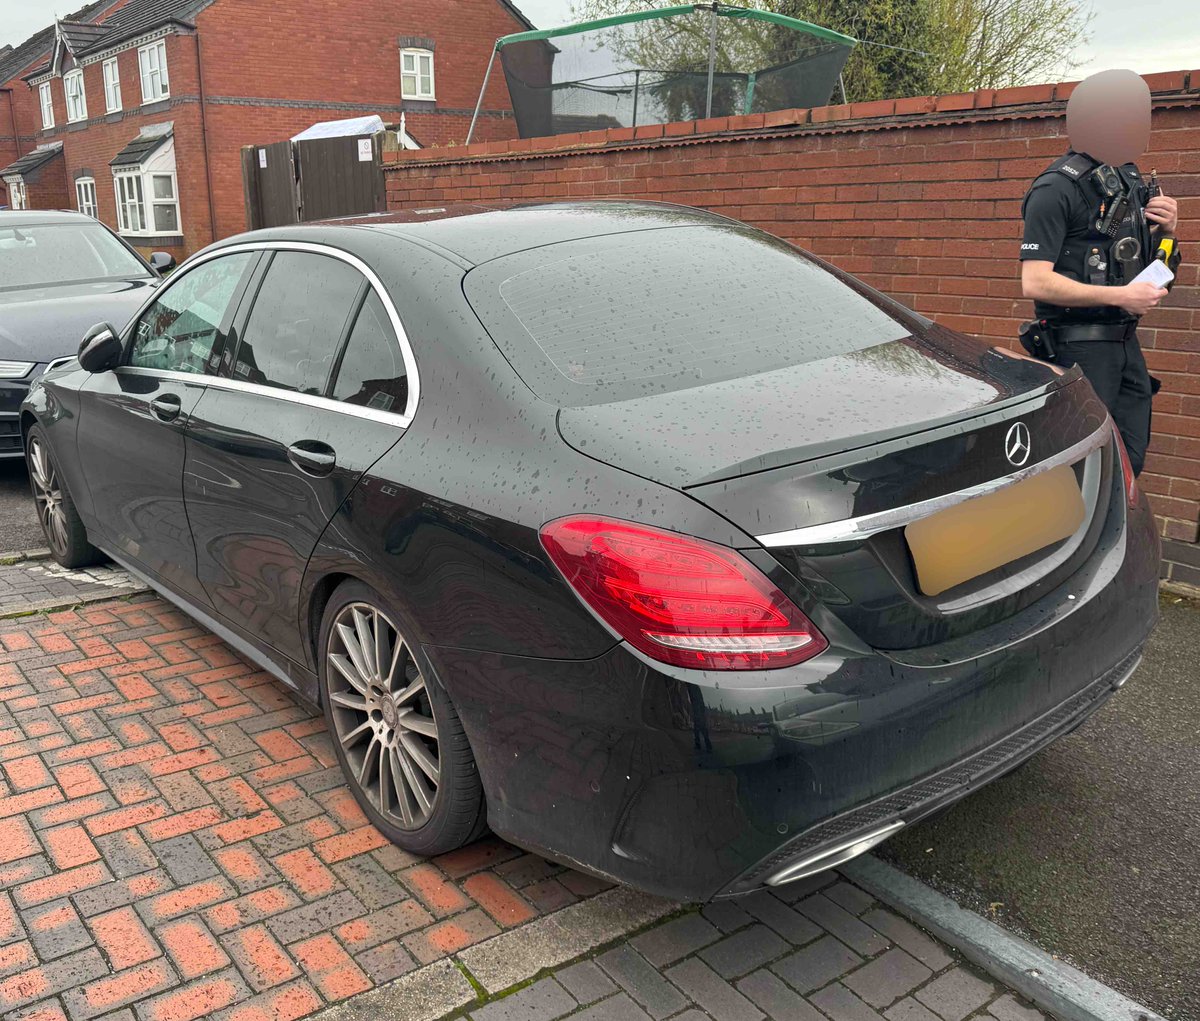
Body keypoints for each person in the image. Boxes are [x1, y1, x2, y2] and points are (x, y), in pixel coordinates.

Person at [1020, 69, 1180, 476]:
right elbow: (1035, 281)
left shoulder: (1127, 179)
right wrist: (1120, 297)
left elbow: (1155, 269)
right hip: (1080, 349)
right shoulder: (1055, 189)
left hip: (1126, 346)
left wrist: (1167, 231)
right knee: (1079, 468)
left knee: (1128, 462)